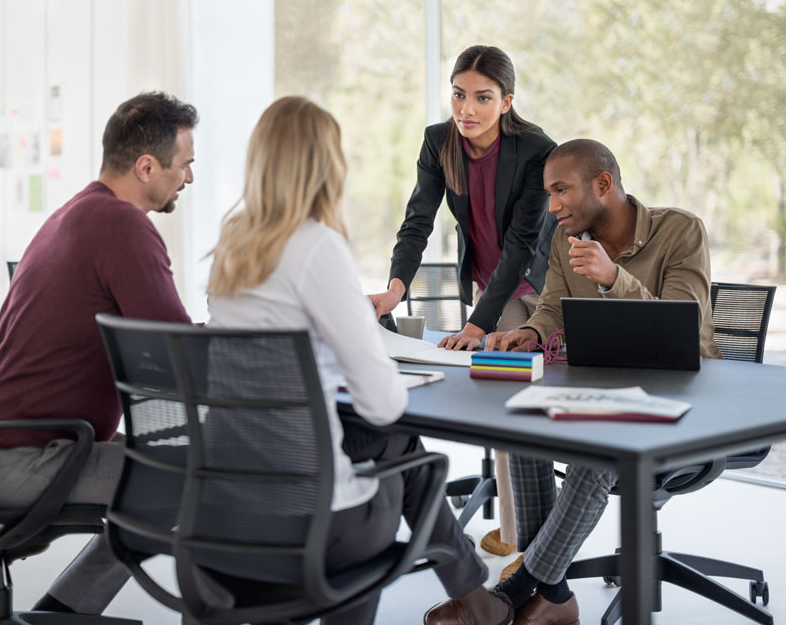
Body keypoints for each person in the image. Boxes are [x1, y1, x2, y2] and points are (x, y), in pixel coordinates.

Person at [207, 96, 514, 625]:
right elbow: (382, 402)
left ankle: (479, 600)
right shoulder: (316, 246)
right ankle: (478, 599)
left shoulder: (231, 247)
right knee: (408, 454)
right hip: (313, 526)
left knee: (396, 448)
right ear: (327, 166)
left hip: (225, 516)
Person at [428, 138, 721, 625]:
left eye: (561, 190)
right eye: (548, 193)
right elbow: (551, 308)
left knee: (599, 449)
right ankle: (554, 594)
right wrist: (526, 332)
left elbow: (686, 332)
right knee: (519, 425)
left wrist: (613, 279)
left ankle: (515, 591)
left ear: (603, 185)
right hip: (606, 388)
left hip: (685, 405)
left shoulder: (680, 230)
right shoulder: (569, 241)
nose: (553, 205)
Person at [0, 92, 198, 616]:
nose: (187, 179)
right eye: (184, 166)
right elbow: (176, 353)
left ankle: (60, 613)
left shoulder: (74, 214)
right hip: (27, 461)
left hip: (7, 447)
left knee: (171, 468)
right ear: (145, 166)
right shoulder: (123, 225)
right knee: (195, 477)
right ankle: (62, 615)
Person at [369, 44, 557, 565]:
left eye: (481, 97)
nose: (466, 109)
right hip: (483, 279)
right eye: (458, 95)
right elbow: (417, 222)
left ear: (506, 101)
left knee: (509, 391)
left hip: (531, 285)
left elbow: (521, 245)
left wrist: (478, 324)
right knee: (498, 393)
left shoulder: (537, 149)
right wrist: (394, 288)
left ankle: (524, 536)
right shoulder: (439, 142)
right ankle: (518, 530)